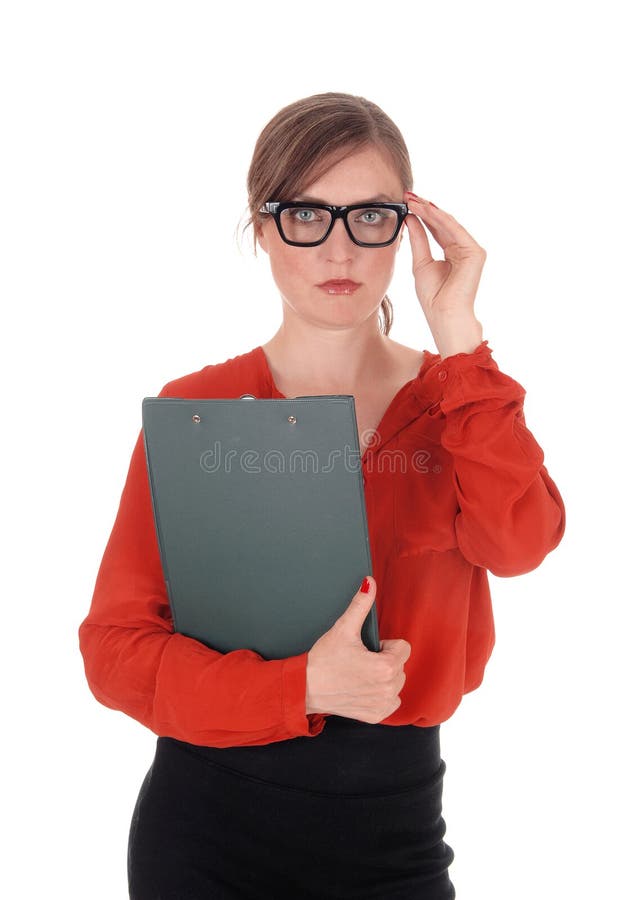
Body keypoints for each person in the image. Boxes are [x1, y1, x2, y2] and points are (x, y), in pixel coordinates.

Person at [78, 91, 566, 899]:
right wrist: (300, 686)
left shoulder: (459, 400)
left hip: (398, 837)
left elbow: (520, 543)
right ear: (264, 226)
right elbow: (115, 653)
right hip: (209, 835)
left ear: (406, 227)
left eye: (369, 216)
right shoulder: (201, 409)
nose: (339, 249)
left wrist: (461, 342)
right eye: (306, 214)